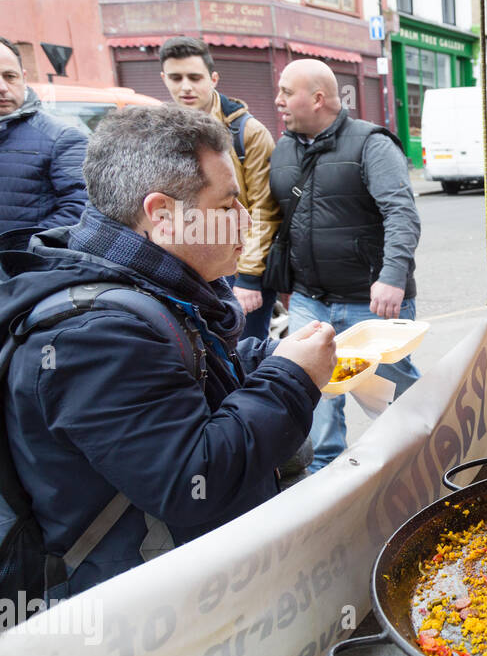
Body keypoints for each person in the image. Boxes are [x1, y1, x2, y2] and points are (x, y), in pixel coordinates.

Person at [0, 104, 333, 596]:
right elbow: (192, 481)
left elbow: (189, 382)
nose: (246, 222)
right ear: (161, 214)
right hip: (147, 613)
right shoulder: (93, 334)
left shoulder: (156, 285)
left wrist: (268, 360)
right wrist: (289, 379)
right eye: (226, 207)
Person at [270, 58, 421, 472]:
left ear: (317, 98)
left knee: (392, 391)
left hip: (368, 303)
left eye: (286, 91)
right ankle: (324, 470)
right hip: (309, 300)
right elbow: (273, 219)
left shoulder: (371, 143)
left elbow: (401, 213)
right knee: (312, 386)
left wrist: (391, 277)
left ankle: (428, 444)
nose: (277, 99)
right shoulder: (282, 150)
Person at [158, 36, 281, 340]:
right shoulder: (158, 132)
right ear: (163, 79)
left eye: (194, 77)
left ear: (212, 78)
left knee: (244, 355)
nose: (185, 86)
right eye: (176, 78)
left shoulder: (247, 132)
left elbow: (265, 210)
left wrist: (250, 277)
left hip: (236, 267)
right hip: (183, 267)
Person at [0, 35, 88, 236]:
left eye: (10, 76)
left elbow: (81, 209)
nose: (2, 88)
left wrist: (19, 251)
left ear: (23, 77)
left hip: (24, 265)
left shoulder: (63, 138)